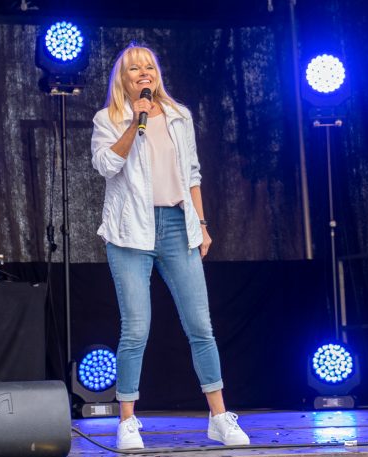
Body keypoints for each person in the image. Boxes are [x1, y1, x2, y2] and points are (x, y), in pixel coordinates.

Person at [91, 44, 250, 450]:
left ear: (156, 74)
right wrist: (136, 122)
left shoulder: (180, 117)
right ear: (123, 79)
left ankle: (218, 416)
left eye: (149, 67)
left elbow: (192, 173)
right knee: (136, 328)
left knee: (200, 326)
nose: (143, 73)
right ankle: (127, 421)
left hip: (179, 225)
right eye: (134, 69)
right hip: (130, 233)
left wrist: (201, 223)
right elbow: (107, 166)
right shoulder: (108, 119)